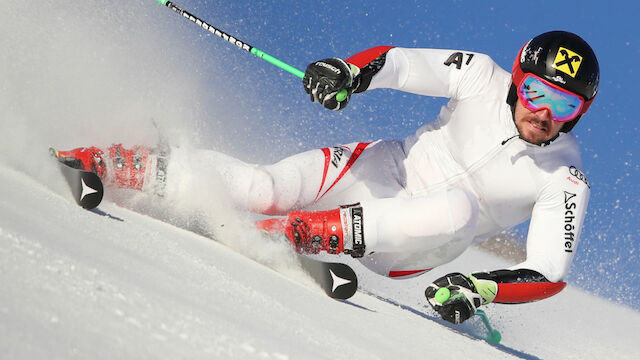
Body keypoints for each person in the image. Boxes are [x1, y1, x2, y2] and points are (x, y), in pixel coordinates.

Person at [56, 30, 599, 324]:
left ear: (580, 113)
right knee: (262, 188)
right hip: (379, 166)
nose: (544, 112)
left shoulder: (565, 179)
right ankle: (111, 162)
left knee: (459, 207)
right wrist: (349, 73)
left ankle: (296, 233)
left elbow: (547, 272)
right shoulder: (480, 75)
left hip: (413, 243)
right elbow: (399, 62)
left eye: (565, 104)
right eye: (537, 92)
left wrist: (481, 287)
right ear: (518, 79)